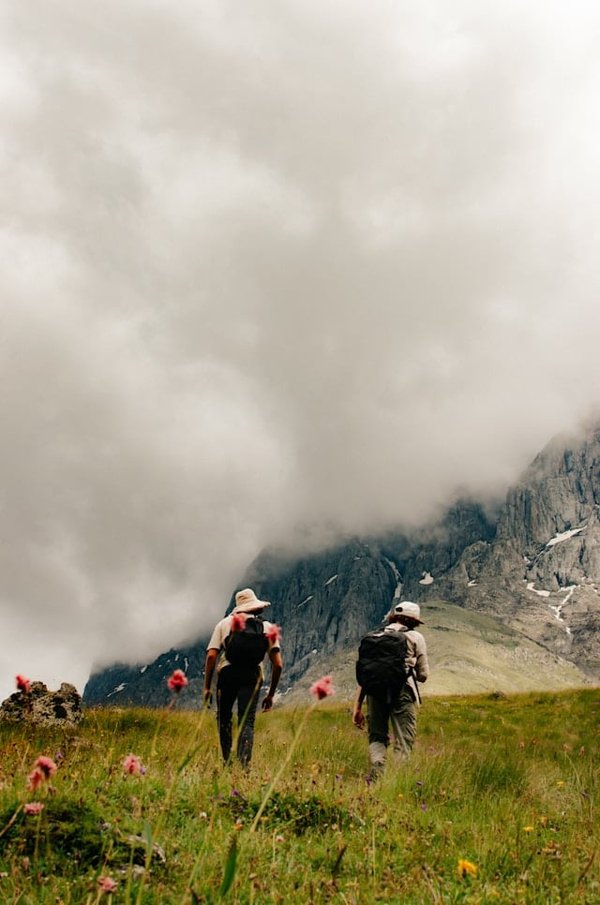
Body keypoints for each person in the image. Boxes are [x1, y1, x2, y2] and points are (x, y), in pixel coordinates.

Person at [204, 588, 282, 766]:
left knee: (224, 717)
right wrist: (270, 694)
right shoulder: (267, 627)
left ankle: (227, 763)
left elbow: (211, 656)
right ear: (255, 606)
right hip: (252, 676)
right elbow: (278, 664)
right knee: (247, 721)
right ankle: (244, 766)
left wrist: (207, 687)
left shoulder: (224, 624)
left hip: (227, 675)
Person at [353, 600, 429, 780]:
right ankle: (397, 780)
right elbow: (423, 675)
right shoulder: (415, 637)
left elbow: (364, 677)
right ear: (414, 621)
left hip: (373, 692)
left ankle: (377, 770)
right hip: (402, 691)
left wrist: (357, 707)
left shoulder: (375, 637)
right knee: (404, 738)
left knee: (377, 735)